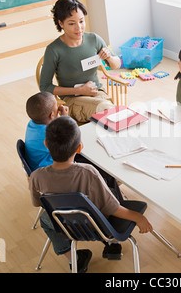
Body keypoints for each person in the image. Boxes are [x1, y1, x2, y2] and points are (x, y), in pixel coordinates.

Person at [29, 116, 153, 272]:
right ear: (79, 148)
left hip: (65, 225)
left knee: (45, 220)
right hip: (97, 227)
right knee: (113, 192)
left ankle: (72, 257)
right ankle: (112, 243)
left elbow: (39, 203)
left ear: (46, 144)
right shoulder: (88, 172)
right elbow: (112, 208)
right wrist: (138, 217)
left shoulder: (36, 176)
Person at [25, 91, 123, 201]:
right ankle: (115, 200)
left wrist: (60, 118)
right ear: (52, 115)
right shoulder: (48, 133)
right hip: (57, 172)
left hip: (42, 171)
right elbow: (73, 138)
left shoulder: (34, 123)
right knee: (103, 170)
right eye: (56, 105)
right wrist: (66, 118)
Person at [39, 0, 122, 123]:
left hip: (98, 94)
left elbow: (116, 65)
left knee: (114, 114)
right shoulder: (54, 50)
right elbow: (45, 87)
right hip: (72, 100)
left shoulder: (93, 39)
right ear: (61, 23)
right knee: (109, 112)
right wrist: (79, 90)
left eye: (81, 21)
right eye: (72, 23)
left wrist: (109, 57)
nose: (79, 28)